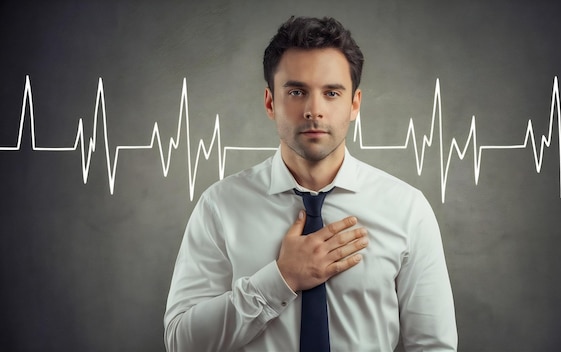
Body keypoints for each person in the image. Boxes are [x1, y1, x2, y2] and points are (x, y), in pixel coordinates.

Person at [164, 16, 457, 351]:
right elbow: (181, 342)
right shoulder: (220, 206)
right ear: (270, 102)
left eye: (331, 93)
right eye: (297, 91)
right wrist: (281, 279)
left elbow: (434, 346)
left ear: (354, 105)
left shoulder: (408, 209)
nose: (314, 110)